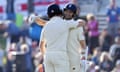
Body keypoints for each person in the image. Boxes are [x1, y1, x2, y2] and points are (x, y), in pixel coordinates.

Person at [39, 4, 82, 72]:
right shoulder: (65, 23)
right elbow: (79, 23)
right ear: (60, 13)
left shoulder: (46, 26)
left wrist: (45, 55)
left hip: (48, 56)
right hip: (60, 55)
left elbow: (41, 45)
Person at [63, 4, 88, 72]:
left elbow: (83, 44)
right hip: (68, 59)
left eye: (70, 12)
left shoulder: (60, 25)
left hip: (69, 59)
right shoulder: (78, 25)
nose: (68, 13)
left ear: (74, 13)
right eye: (66, 11)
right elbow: (83, 45)